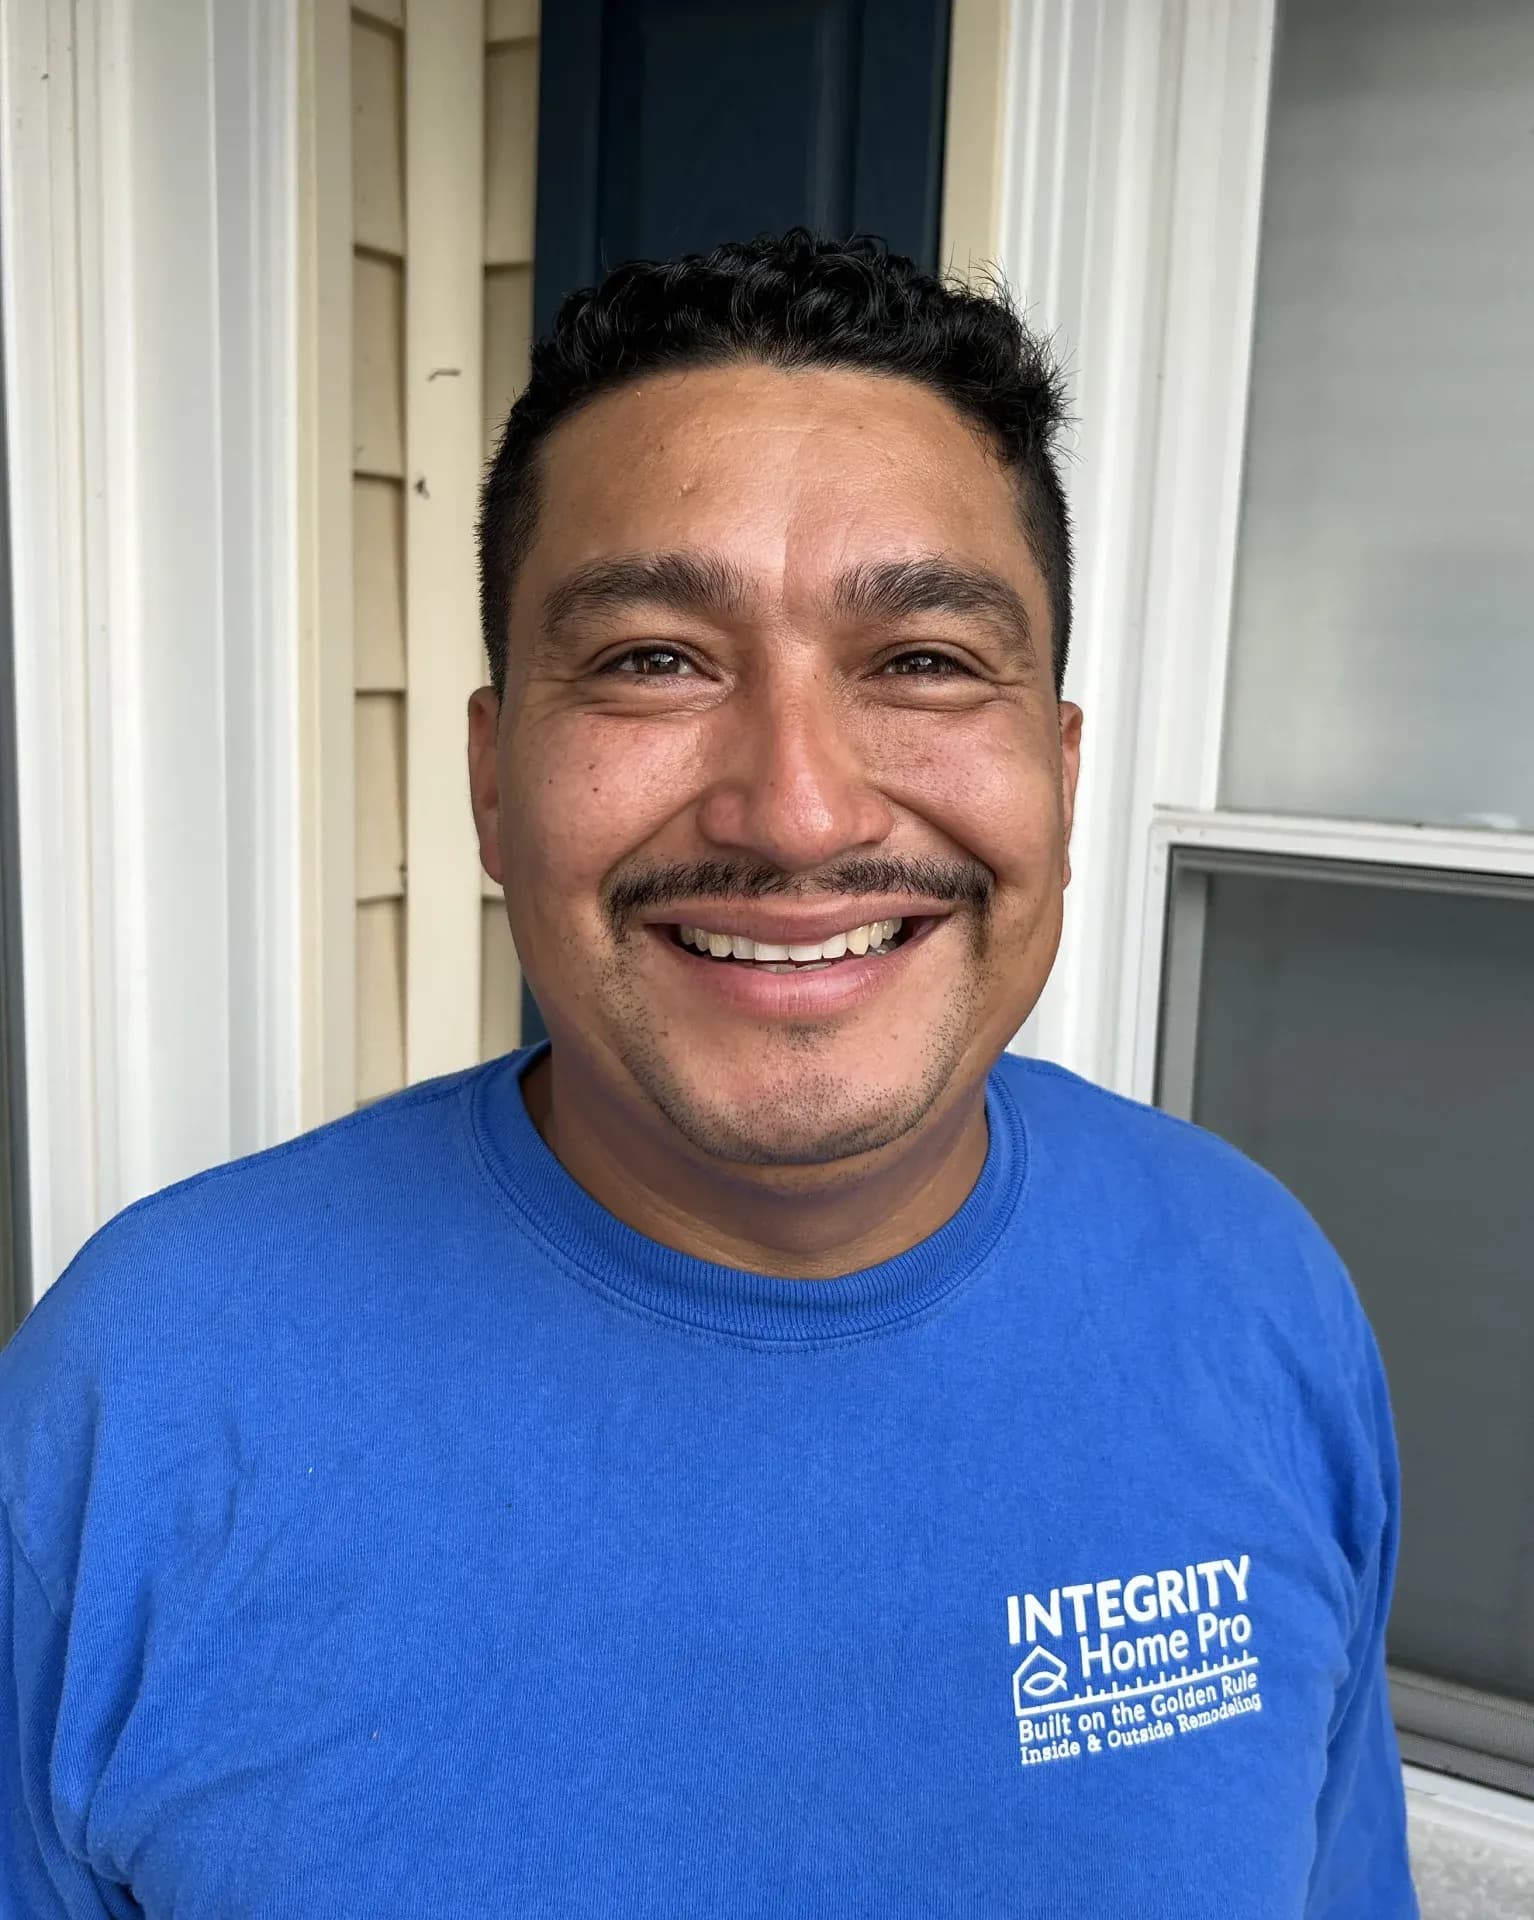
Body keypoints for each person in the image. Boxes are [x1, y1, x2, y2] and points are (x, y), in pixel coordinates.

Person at [0, 230, 1416, 1917]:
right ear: (493, 777)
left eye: (920, 662)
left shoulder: (1254, 1293)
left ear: (1056, 766)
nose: (799, 810)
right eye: (653, 659)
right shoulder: (143, 1397)